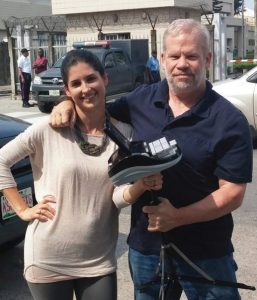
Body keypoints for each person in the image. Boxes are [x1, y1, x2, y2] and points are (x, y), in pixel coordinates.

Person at [49, 19, 253, 300]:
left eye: (191, 56)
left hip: (207, 251)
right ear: (162, 59)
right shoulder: (139, 101)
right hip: (148, 247)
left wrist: (178, 217)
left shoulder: (229, 120)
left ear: (207, 58)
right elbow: (96, 110)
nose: (182, 63)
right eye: (174, 55)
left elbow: (232, 194)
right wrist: (66, 102)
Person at [0, 49, 163, 300]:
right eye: (75, 84)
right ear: (67, 91)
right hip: (48, 259)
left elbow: (115, 197)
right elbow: (1, 161)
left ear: (104, 79)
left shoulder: (124, 134)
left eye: (90, 79)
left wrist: (141, 185)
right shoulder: (49, 129)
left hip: (97, 260)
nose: (85, 88)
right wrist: (23, 210)